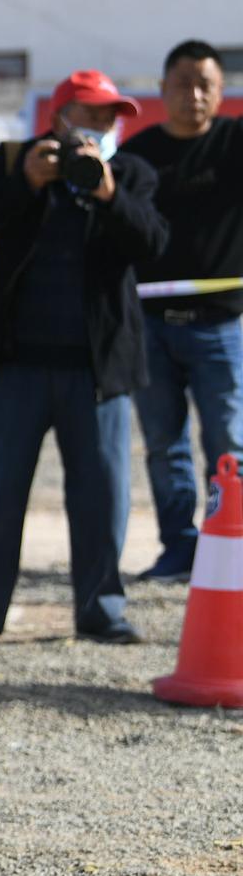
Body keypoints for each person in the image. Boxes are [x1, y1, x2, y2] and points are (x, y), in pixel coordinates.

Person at [0, 70, 168, 648]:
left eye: (111, 119)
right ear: (60, 118)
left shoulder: (130, 172)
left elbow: (155, 243)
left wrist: (109, 195)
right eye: (92, 116)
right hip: (15, 364)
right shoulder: (12, 163)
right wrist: (25, 183)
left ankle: (101, 611)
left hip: (97, 370)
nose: (103, 129)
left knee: (103, 496)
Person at [124, 40, 243, 580]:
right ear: (163, 89)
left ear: (221, 92)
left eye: (205, 85)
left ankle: (231, 546)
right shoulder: (139, 154)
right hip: (149, 324)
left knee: (227, 441)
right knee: (163, 444)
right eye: (182, 84)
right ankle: (180, 547)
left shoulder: (236, 143)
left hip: (221, 322)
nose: (193, 95)